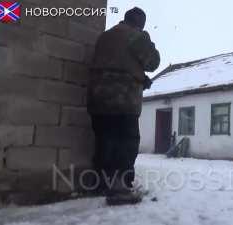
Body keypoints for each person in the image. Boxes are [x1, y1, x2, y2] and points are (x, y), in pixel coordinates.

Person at [87, 7, 160, 205]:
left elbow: (117, 64)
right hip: (123, 100)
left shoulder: (105, 36)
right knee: (126, 142)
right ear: (139, 23)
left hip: (97, 98)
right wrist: (146, 39)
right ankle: (120, 188)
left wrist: (140, 77)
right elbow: (153, 62)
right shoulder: (136, 36)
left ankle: (101, 185)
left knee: (104, 140)